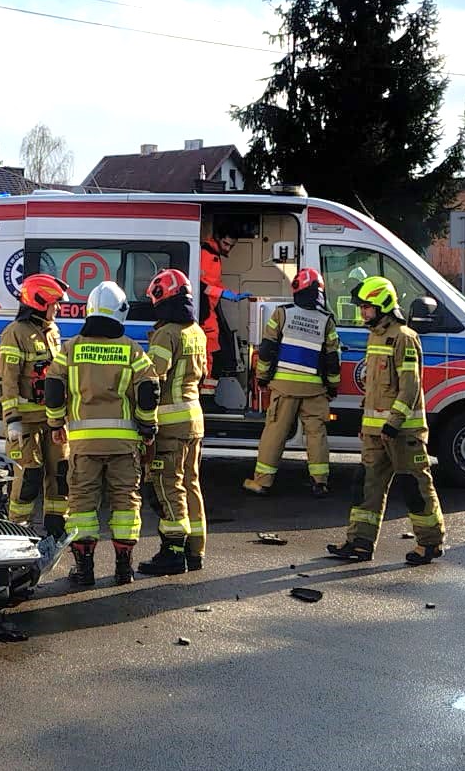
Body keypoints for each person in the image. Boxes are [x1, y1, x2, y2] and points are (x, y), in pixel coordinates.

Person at [45, 280, 159, 587]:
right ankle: (124, 568)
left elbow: (53, 388)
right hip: (124, 443)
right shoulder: (132, 350)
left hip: (83, 444)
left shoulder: (70, 349)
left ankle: (84, 571)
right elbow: (149, 389)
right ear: (120, 311)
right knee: (125, 503)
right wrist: (148, 427)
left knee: (82, 504)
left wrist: (56, 425)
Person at [328, 275, 445, 564]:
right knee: (366, 486)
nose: (362, 312)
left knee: (415, 488)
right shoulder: (375, 335)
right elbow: (374, 386)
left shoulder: (405, 337)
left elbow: (410, 387)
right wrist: (366, 425)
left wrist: (393, 423)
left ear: (381, 305)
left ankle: (430, 544)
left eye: (366, 307)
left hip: (403, 432)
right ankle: (359, 543)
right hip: (375, 431)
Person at [241, 267, 340, 498]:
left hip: (283, 387)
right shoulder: (327, 321)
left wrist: (262, 378)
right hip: (315, 389)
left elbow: (267, 350)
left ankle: (262, 482)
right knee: (316, 434)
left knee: (275, 432)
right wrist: (332, 386)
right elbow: (332, 359)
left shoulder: (282, 314)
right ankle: (320, 482)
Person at [139, 268, 208, 576]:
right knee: (191, 485)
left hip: (170, 424)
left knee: (169, 487)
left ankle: (173, 552)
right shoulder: (197, 331)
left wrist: (145, 422)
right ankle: (195, 551)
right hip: (194, 419)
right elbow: (202, 375)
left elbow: (152, 379)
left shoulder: (167, 333)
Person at [0, 273, 69, 541]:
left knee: (60, 472)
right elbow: (8, 379)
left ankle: (56, 526)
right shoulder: (14, 333)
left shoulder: (52, 331)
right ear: (39, 302)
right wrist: (12, 418)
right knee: (29, 475)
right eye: (55, 303)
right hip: (25, 420)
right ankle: (19, 528)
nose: (58, 309)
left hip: (51, 418)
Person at [198, 229, 252, 379]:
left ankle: (209, 390)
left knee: (212, 352)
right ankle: (207, 393)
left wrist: (231, 295)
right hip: (203, 312)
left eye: (231, 246)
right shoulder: (205, 254)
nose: (227, 249)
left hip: (209, 310)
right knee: (208, 353)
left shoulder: (213, 256)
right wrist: (222, 294)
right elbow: (199, 284)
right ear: (217, 238)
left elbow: (214, 283)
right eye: (225, 244)